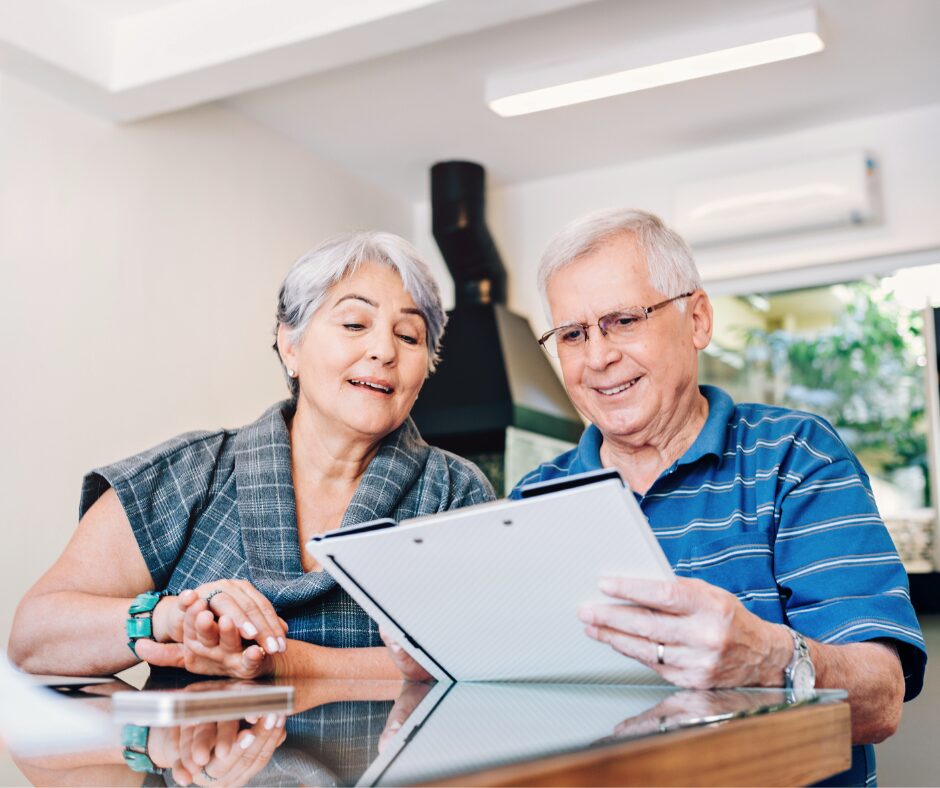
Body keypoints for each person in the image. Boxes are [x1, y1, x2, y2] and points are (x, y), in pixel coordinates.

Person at [510, 208, 926, 786]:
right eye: (573, 334)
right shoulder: (533, 499)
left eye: (623, 321)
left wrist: (771, 659)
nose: (598, 357)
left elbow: (880, 698)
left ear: (698, 320)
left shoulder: (797, 456)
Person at [9, 231, 494, 681]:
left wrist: (285, 662)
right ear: (291, 346)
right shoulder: (192, 472)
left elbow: (486, 657)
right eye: (354, 323)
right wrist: (171, 617)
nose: (385, 350)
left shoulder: (455, 494)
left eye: (409, 336)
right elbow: (32, 636)